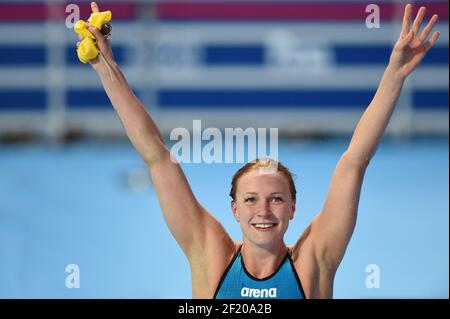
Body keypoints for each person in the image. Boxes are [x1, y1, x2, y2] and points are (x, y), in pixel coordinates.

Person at [78, 2, 440, 298]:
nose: (263, 211)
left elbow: (354, 161)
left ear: (294, 207)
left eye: (276, 199)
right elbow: (156, 155)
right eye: (250, 200)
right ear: (234, 209)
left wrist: (394, 75)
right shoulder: (211, 255)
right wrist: (103, 64)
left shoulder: (314, 262)